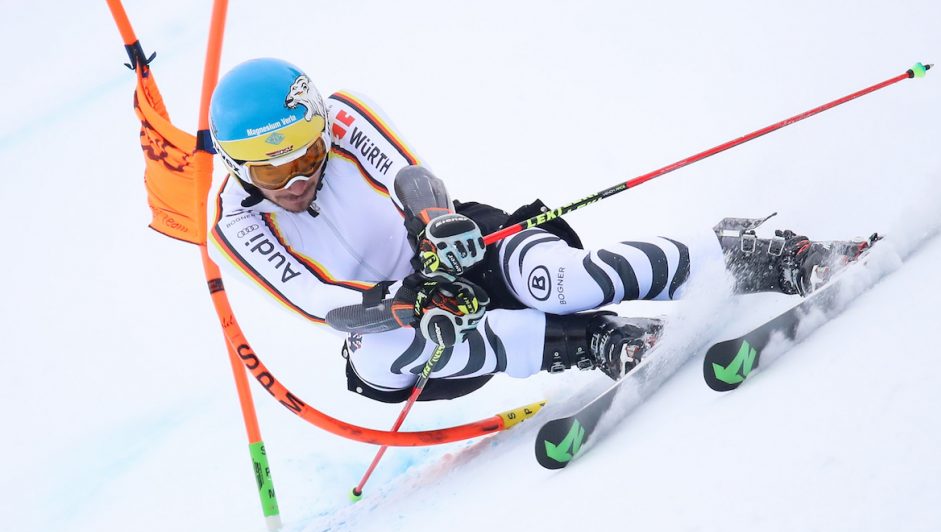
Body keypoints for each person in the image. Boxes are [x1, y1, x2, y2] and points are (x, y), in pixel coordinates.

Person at [208, 58, 869, 403]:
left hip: (456, 247)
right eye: (272, 168)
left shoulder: (344, 118)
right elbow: (321, 302)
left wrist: (437, 223)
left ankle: (771, 258)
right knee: (376, 360)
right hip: (400, 316)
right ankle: (600, 342)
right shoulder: (235, 224)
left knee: (566, 279)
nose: (295, 176)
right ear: (238, 166)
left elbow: (409, 176)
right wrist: (402, 302)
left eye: (303, 150)